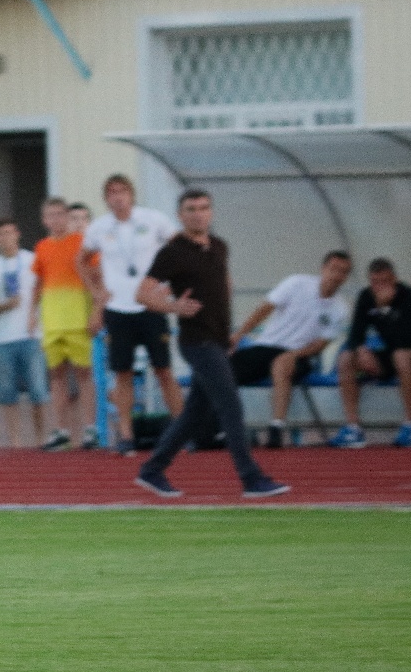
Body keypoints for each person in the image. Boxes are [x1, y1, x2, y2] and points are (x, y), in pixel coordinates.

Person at [133, 189, 289, 499]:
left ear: (211, 212)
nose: (198, 214)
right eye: (191, 209)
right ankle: (251, 478)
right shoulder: (172, 252)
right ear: (181, 215)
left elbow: (224, 284)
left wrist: (230, 332)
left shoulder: (219, 246)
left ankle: (151, 470)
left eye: (203, 208)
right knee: (231, 405)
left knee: (194, 414)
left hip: (217, 340)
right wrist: (174, 307)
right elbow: (142, 294)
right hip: (196, 342)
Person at [78, 175, 183, 454]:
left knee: (163, 370)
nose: (118, 197)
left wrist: (169, 285)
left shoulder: (152, 219)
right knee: (122, 373)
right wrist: (97, 294)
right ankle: (126, 434)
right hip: (118, 308)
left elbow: (180, 248)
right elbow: (81, 260)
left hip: (150, 306)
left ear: (132, 194)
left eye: (122, 191)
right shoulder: (100, 227)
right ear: (106, 198)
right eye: (112, 192)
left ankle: (182, 430)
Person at [230, 251, 352, 448]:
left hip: (302, 355)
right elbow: (264, 309)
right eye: (334, 269)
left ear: (346, 277)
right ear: (323, 269)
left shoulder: (340, 309)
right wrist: (238, 336)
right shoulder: (296, 283)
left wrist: (293, 354)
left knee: (282, 363)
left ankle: (276, 428)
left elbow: (320, 345)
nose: (337, 275)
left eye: (343, 272)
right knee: (222, 369)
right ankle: (221, 429)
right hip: (266, 347)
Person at [329, 258, 411, 449]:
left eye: (384, 281)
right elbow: (355, 335)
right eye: (375, 282)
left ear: (394, 279)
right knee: (346, 358)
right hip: (394, 354)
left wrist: (383, 309)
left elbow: (405, 340)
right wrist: (361, 350)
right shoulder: (366, 297)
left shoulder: (410, 297)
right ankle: (353, 428)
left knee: (401, 356)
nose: (380, 287)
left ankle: (410, 426)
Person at [0, 217, 48, 448]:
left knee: (38, 391)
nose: (5, 238)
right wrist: (5, 305)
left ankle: (40, 438)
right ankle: (15, 440)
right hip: (4, 338)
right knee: (7, 393)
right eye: (0, 234)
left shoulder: (32, 260)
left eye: (9, 232)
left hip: (32, 334)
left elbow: (45, 289)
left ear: (17, 234)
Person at [29, 197, 96, 451]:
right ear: (44, 220)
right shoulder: (42, 247)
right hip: (52, 320)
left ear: (68, 217)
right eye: (51, 215)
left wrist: (96, 310)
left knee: (84, 374)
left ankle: (91, 429)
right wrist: (31, 313)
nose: (56, 219)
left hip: (78, 319)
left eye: (60, 214)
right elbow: (38, 282)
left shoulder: (82, 244)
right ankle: (62, 430)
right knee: (56, 376)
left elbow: (97, 277)